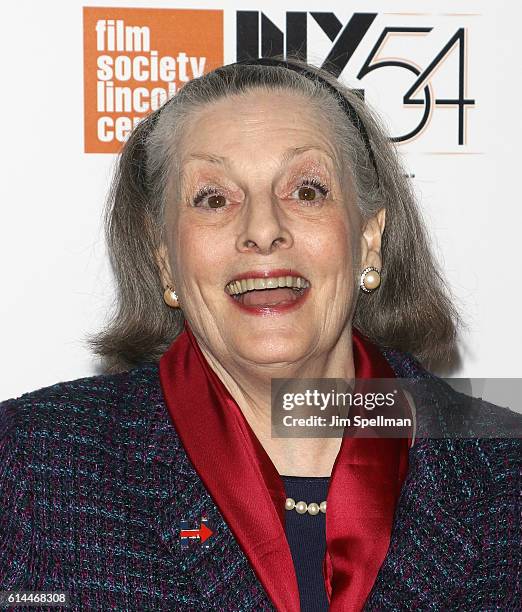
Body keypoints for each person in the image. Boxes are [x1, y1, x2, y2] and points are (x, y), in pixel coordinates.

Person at [1, 57, 520, 612]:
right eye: (214, 199)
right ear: (164, 261)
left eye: (307, 190)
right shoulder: (28, 462)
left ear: (369, 240)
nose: (263, 230)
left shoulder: (506, 471)